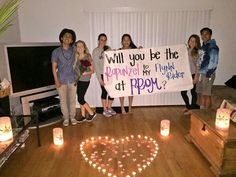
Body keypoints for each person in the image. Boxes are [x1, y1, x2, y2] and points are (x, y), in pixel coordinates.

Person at [51, 28, 77, 126]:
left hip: (72, 79)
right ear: (61, 38)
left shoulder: (74, 50)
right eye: (66, 36)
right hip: (61, 80)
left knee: (72, 100)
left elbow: (84, 55)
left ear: (72, 40)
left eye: (70, 37)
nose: (67, 38)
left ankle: (72, 117)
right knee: (63, 100)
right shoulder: (56, 51)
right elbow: (53, 67)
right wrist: (56, 80)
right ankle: (66, 118)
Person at [92, 33, 116, 117]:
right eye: (101, 40)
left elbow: (115, 57)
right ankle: (104, 110)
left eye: (105, 40)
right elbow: (96, 66)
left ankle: (109, 108)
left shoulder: (108, 48)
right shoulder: (95, 51)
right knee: (104, 92)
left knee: (112, 92)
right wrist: (99, 79)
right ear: (98, 40)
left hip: (110, 74)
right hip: (102, 74)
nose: (103, 41)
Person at [196, 27, 219, 109]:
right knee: (200, 93)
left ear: (210, 35)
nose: (204, 36)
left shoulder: (212, 47)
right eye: (202, 34)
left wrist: (208, 74)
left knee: (206, 94)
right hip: (201, 73)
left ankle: (205, 114)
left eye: (206, 34)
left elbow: (213, 61)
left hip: (207, 74)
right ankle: (201, 112)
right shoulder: (203, 47)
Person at [74, 40, 96, 122]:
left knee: (80, 99)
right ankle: (83, 115)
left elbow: (92, 70)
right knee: (81, 97)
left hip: (85, 80)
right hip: (77, 80)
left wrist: (86, 73)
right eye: (78, 46)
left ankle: (91, 113)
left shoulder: (87, 57)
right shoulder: (76, 57)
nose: (79, 48)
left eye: (81, 46)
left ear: (84, 47)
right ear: (76, 48)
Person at [181, 34, 201, 115]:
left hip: (193, 75)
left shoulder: (197, 53)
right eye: (190, 40)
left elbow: (198, 66)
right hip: (186, 75)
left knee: (193, 93)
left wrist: (196, 77)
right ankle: (188, 106)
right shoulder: (186, 50)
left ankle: (192, 110)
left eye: (194, 41)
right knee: (183, 92)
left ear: (197, 43)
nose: (192, 42)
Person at [119, 34, 139, 114]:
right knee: (122, 91)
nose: (126, 41)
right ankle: (122, 108)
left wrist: (140, 50)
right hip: (121, 74)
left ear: (130, 41)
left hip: (131, 74)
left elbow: (141, 58)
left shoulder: (134, 50)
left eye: (128, 40)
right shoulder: (118, 51)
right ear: (122, 41)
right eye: (124, 40)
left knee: (131, 91)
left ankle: (130, 107)